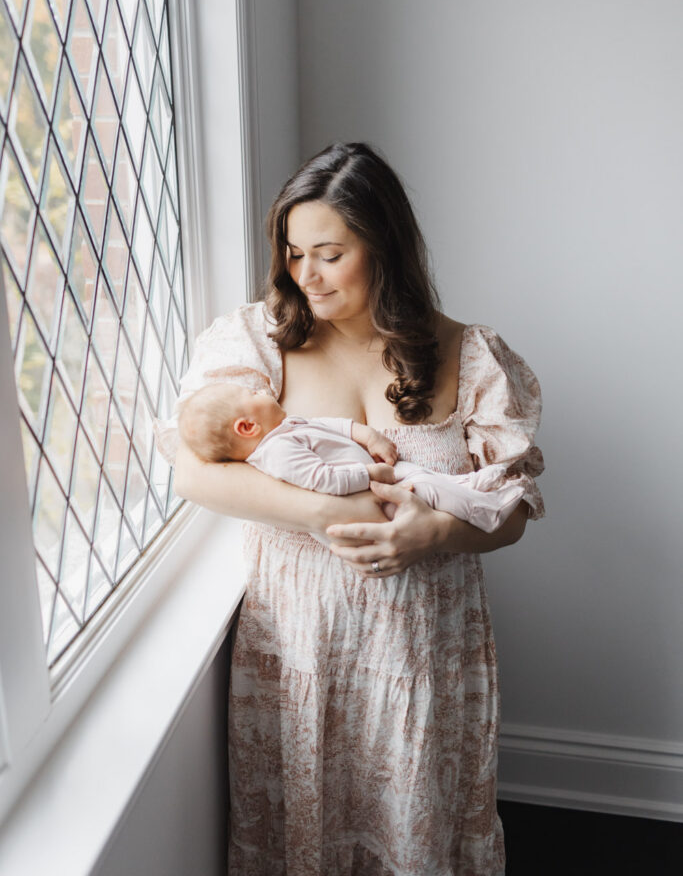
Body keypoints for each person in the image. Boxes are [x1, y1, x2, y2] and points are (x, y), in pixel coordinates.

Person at [154, 141, 545, 875]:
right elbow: (192, 474)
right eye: (293, 252)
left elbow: (515, 509)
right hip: (302, 648)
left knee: (413, 835)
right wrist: (320, 514)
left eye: (328, 253)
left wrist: (434, 533)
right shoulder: (257, 343)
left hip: (422, 650)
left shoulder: (470, 353)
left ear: (384, 247)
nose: (305, 275)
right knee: (306, 833)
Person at [176, 382, 528, 535]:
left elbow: (329, 426)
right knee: (422, 489)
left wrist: (366, 435)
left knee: (422, 476)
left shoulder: (284, 430)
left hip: (378, 476)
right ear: (247, 425)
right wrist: (372, 473)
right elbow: (325, 481)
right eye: (252, 393)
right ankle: (485, 510)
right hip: (370, 495)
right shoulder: (278, 453)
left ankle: (466, 485)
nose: (262, 391)